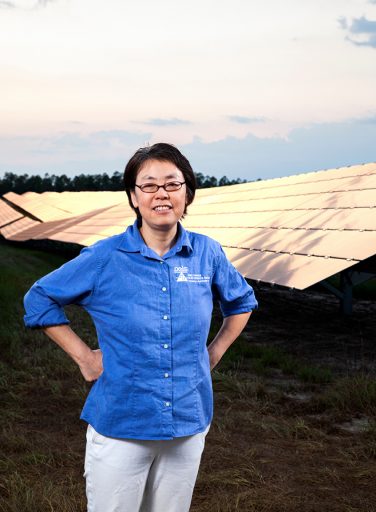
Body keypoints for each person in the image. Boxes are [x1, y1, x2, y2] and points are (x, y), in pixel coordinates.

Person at [23, 142, 258, 512]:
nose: (161, 194)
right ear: (134, 197)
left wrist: (213, 353)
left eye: (172, 184)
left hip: (188, 420)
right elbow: (39, 298)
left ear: (187, 193)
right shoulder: (105, 257)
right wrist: (84, 357)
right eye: (148, 185)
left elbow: (241, 302)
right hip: (122, 422)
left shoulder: (207, 253)